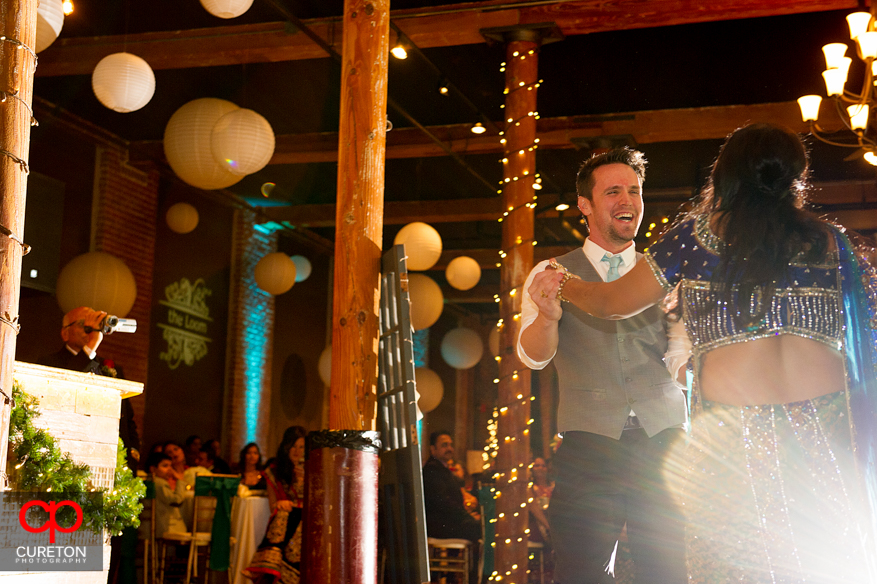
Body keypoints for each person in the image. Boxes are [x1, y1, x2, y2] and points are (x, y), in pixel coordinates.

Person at [540, 123, 877, 582]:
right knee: (821, 562)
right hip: (825, 429)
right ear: (794, 176)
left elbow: (611, 302)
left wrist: (561, 282)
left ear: (726, 177)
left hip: (733, 437)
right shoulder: (833, 246)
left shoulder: (695, 238)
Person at [518, 147, 688, 584]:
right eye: (613, 191)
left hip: (663, 439)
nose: (627, 200)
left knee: (665, 569)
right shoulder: (551, 273)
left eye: (634, 190)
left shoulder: (665, 272)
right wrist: (551, 318)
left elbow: (680, 356)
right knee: (582, 570)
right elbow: (533, 356)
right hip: (589, 442)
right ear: (585, 205)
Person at [243, 426, 307, 584]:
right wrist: (282, 502)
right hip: (286, 518)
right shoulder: (275, 470)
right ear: (286, 446)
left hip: (305, 518)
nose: (297, 451)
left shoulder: (311, 469)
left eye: (301, 447)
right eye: (293, 446)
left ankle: (272, 568)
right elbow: (273, 505)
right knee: (282, 514)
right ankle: (270, 567)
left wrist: (307, 479)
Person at [421, 431, 481, 543]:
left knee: (481, 525)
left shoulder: (441, 468)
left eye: (450, 445)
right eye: (444, 445)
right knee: (482, 528)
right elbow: (443, 503)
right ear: (433, 449)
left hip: (447, 521)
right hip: (440, 525)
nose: (449, 449)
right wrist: (467, 517)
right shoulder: (432, 470)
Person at [147, 451, 190, 538]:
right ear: (153, 469)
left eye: (171, 466)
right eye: (165, 466)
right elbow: (176, 500)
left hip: (151, 525)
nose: (170, 469)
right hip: (164, 526)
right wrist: (180, 481)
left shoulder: (148, 481)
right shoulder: (159, 483)